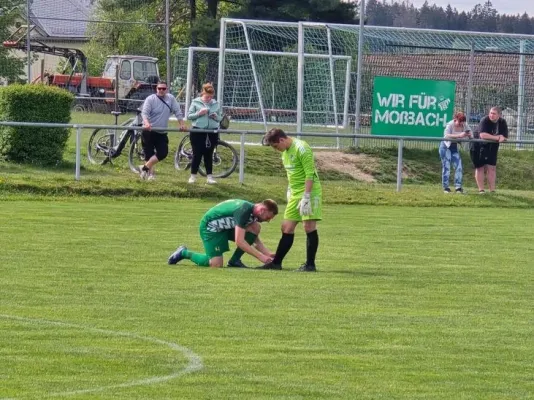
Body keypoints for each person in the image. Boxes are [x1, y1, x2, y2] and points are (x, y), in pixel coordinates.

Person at [259, 128, 322, 272]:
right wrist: (290, 191)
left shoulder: (302, 148)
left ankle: (310, 265)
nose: (276, 150)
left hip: (310, 191)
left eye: (276, 146)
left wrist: (306, 196)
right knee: (286, 227)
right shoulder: (285, 153)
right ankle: (276, 263)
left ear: (281, 140)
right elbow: (292, 174)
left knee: (308, 226)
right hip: (295, 193)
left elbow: (309, 174)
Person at [167, 199, 278, 268]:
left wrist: (267, 253)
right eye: (268, 217)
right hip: (210, 228)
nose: (268, 220)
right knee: (215, 264)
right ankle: (183, 253)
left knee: (255, 227)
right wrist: (260, 257)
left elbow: (254, 238)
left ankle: (234, 261)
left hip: (225, 227)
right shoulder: (244, 211)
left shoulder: (253, 212)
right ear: (262, 210)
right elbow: (240, 242)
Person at [140, 81, 186, 180]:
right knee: (149, 154)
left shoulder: (171, 98)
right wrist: (147, 123)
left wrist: (182, 124)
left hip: (161, 132)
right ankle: (151, 175)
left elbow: (177, 112)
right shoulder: (150, 99)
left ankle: (144, 168)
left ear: (167, 89)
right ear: (156, 89)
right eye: (159, 88)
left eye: (163, 88)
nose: (161, 90)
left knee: (163, 152)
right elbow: (144, 113)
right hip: (149, 131)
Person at [187, 83, 223, 185]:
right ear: (203, 93)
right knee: (197, 154)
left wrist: (216, 117)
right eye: (207, 96)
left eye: (211, 97)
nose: (209, 98)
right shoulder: (195, 102)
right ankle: (193, 176)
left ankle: (209, 177)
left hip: (212, 132)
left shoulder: (216, 104)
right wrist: (199, 113)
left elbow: (221, 118)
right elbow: (189, 116)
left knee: (209, 154)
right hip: (197, 131)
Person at [470, 106, 508, 193]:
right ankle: (481, 190)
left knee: (492, 168)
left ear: (499, 115)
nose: (491, 115)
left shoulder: (502, 122)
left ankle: (492, 190)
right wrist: (498, 137)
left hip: (492, 146)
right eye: (490, 113)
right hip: (478, 146)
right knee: (480, 168)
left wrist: (502, 138)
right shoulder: (485, 120)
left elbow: (505, 137)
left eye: (494, 114)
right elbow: (483, 135)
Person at [439, 112, 472, 194]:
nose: (460, 125)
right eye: (459, 122)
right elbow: (446, 136)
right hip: (445, 146)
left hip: (454, 147)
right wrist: (459, 135)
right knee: (446, 166)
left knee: (459, 166)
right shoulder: (450, 124)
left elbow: (471, 134)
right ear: (455, 119)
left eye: (462, 123)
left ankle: (458, 187)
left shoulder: (464, 125)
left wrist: (469, 135)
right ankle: (446, 187)